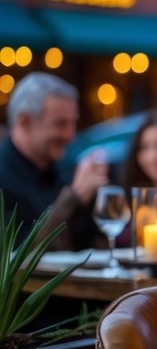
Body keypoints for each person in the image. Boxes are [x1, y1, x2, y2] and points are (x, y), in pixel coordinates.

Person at [0, 72, 107, 248]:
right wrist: (74, 197)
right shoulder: (4, 178)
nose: (71, 136)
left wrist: (94, 200)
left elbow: (85, 245)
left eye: (73, 123)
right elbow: (16, 258)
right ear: (24, 122)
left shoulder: (60, 172)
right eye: (60, 124)